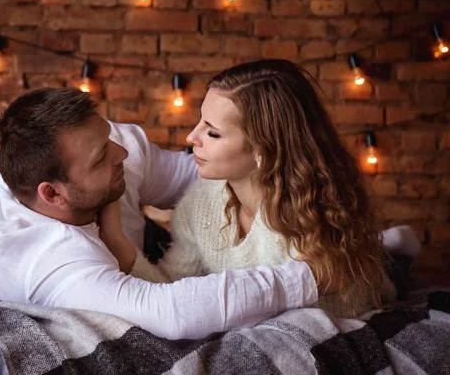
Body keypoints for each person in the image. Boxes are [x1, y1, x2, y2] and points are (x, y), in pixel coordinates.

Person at [0, 87, 319, 340]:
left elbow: (204, 176)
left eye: (109, 138)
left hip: (143, 247)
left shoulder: (104, 147)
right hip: (115, 277)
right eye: (101, 158)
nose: (122, 152)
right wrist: (310, 276)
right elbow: (170, 313)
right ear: (52, 194)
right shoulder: (50, 263)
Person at [104, 59, 418, 317]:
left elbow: (322, 314)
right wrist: (114, 233)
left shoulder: (306, 214)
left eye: (212, 133)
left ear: (262, 150)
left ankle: (392, 251)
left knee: (387, 272)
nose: (191, 138)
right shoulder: (200, 202)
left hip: (359, 299)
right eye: (201, 121)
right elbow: (172, 290)